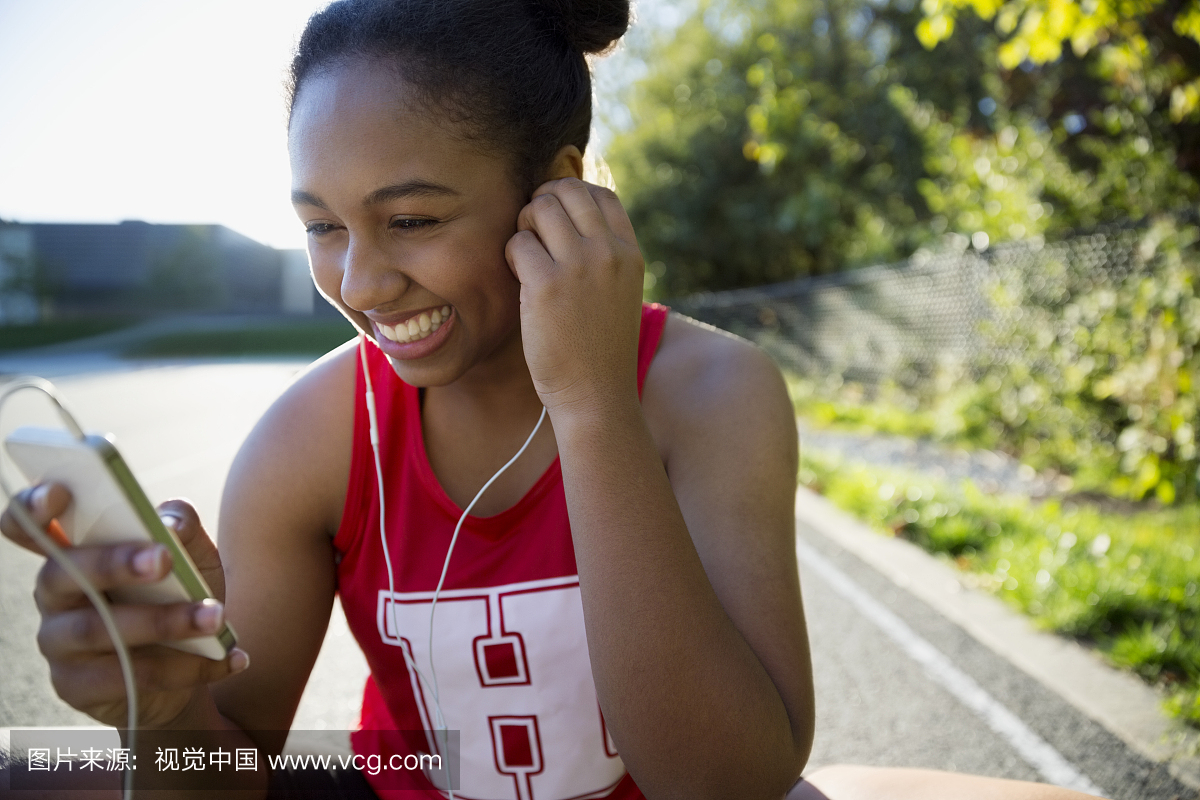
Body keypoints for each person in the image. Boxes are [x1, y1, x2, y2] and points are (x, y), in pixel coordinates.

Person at [0, 2, 1105, 799]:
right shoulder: (312, 438)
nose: (361, 282)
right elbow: (223, 775)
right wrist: (166, 710)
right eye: (321, 225)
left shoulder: (713, 392)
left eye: (414, 219)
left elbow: (727, 783)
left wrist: (589, 402)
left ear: (561, 192)